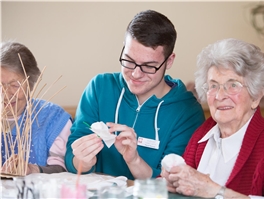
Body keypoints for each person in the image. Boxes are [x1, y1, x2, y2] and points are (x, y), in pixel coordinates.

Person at [65, 10, 205, 180]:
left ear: (169, 61)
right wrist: (82, 161)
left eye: (148, 66)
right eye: (129, 61)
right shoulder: (99, 88)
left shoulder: (187, 111)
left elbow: (172, 184)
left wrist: (134, 160)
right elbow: (72, 158)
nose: (136, 74)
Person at [161, 38, 264, 198]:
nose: (220, 96)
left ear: (256, 95)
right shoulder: (202, 136)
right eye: (213, 85)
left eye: (233, 85)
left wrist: (215, 191)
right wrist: (172, 181)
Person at [0, 41, 72, 175]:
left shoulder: (53, 118)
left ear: (31, 84)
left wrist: (33, 169)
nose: (5, 94)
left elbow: (65, 169)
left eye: (15, 85)